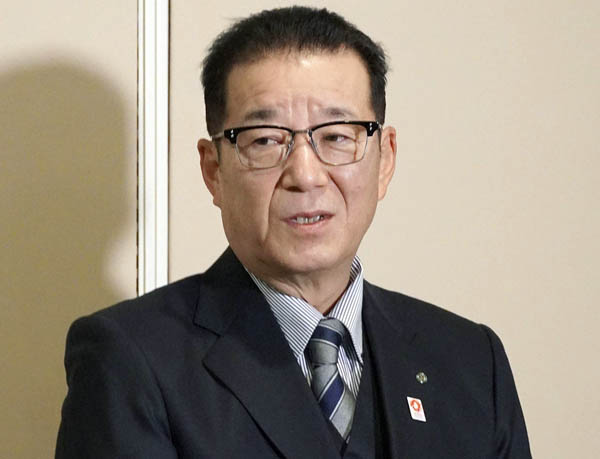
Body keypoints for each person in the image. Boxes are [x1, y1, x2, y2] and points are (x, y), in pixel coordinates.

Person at [56, 6, 531, 458]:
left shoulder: (470, 360)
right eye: (266, 140)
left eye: (336, 136)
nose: (305, 175)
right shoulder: (130, 359)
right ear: (213, 170)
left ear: (385, 159)